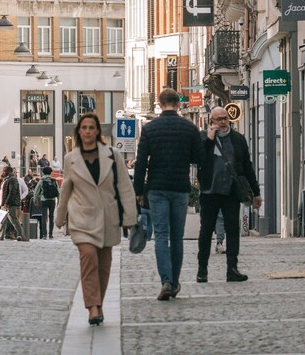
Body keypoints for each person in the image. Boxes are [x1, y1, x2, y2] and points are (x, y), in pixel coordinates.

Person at [55, 113, 137, 326]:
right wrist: (60, 215)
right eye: (84, 128)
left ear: (97, 131)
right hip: (81, 217)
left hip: (107, 216)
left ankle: (98, 303)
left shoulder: (112, 155)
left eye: (92, 127)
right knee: (88, 256)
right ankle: (92, 306)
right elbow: (66, 187)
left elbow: (124, 187)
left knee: (103, 263)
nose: (88, 131)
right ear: (79, 132)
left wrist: (129, 216)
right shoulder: (70, 158)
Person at [132, 87, 206, 301]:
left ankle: (165, 280)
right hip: (180, 187)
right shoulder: (189, 128)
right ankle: (174, 282)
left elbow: (141, 163)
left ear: (160, 103)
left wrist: (138, 191)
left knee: (161, 236)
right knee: (177, 237)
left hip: (157, 188)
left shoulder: (150, 129)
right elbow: (199, 158)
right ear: (178, 104)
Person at [197, 106, 262, 283]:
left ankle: (232, 269)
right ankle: (202, 270)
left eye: (225, 118)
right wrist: (210, 140)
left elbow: (247, 167)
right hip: (209, 192)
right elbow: (198, 159)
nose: (223, 122)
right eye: (219, 119)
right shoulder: (204, 138)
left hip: (231, 192)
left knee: (232, 230)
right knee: (206, 231)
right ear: (212, 121)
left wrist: (256, 192)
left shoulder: (238, 139)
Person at [0, 165, 25, 241]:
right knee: (2, 220)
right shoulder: (5, 179)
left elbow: (12, 191)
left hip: (10, 204)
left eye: (3, 171)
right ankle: (0, 236)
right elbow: (1, 191)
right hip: (4, 203)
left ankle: (21, 235)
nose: (2, 172)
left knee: (14, 219)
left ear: (7, 172)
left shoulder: (12, 179)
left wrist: (7, 202)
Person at [33, 167, 60, 239]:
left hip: (44, 200)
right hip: (52, 200)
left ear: (43, 173)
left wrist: (35, 200)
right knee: (51, 217)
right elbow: (58, 191)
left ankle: (44, 234)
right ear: (50, 172)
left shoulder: (41, 181)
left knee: (44, 217)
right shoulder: (54, 180)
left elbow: (36, 191)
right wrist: (58, 201)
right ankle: (51, 234)